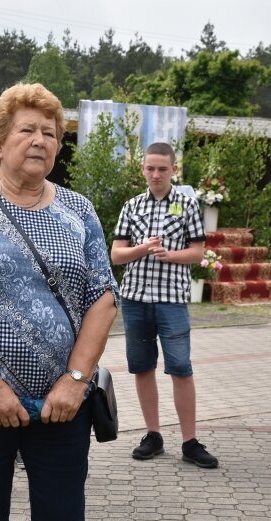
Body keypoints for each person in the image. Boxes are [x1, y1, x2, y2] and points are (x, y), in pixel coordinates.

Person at [0, 83, 118, 520]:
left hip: (62, 406)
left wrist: (74, 382)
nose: (40, 141)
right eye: (27, 130)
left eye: (50, 133)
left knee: (62, 512)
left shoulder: (79, 211)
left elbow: (103, 299)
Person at [111, 142, 218, 468]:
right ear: (142, 169)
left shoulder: (187, 205)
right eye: (150, 168)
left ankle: (189, 441)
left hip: (172, 299)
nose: (156, 174)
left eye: (162, 168)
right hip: (135, 299)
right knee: (143, 368)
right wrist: (142, 249)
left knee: (180, 369)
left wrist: (171, 256)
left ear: (174, 170)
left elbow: (198, 253)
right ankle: (153, 435)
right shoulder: (132, 206)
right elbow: (116, 254)